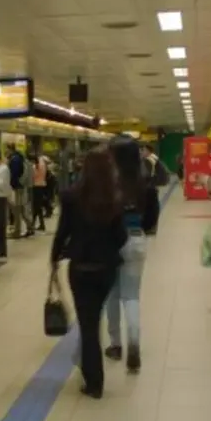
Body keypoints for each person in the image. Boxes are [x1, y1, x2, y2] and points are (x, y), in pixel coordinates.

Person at [50, 148, 127, 399]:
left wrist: (54, 257)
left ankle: (94, 381)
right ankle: (92, 374)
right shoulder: (114, 198)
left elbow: (63, 232)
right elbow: (121, 237)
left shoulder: (71, 197)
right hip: (106, 270)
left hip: (81, 269)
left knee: (89, 325)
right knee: (95, 318)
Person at [105, 136, 159, 373]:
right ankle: (134, 344)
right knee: (132, 296)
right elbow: (152, 217)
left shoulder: (107, 182)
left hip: (110, 242)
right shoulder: (144, 182)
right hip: (136, 239)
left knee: (112, 295)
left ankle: (115, 344)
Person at [140, 145, 162, 235]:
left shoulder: (149, 160)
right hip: (153, 186)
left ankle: (150, 227)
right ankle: (152, 227)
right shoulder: (154, 158)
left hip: (149, 186)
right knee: (154, 206)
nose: (142, 152)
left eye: (143, 150)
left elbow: (146, 174)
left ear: (148, 151)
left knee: (150, 207)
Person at [6, 143, 26, 238]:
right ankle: (17, 230)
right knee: (17, 209)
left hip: (15, 187)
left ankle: (17, 232)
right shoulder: (18, 158)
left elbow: (13, 174)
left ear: (10, 149)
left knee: (16, 210)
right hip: (17, 186)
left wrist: (11, 185)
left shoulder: (15, 160)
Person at [32, 152, 48, 231]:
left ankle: (33, 224)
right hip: (42, 186)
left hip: (36, 187)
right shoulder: (43, 164)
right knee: (38, 206)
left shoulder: (35, 167)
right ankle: (39, 224)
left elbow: (33, 176)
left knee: (36, 206)